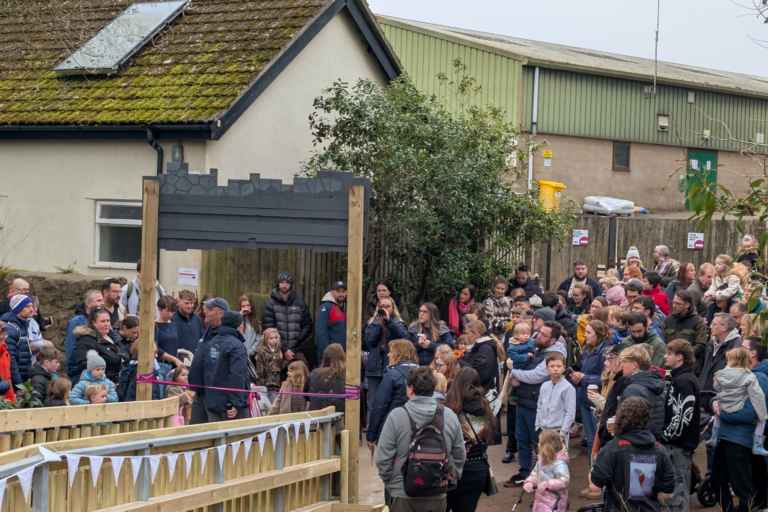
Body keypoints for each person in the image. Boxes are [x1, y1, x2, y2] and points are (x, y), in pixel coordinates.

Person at [375, 366, 466, 512]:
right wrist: (448, 481)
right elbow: (460, 455)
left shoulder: (396, 416)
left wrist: (393, 484)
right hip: (437, 493)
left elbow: (383, 459)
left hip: (402, 494)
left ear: (411, 388)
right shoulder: (449, 416)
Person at [505, 320, 568, 486]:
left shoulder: (553, 355)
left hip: (536, 404)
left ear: (553, 340)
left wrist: (514, 373)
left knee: (537, 440)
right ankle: (525, 473)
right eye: (539, 332)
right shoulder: (539, 347)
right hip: (523, 400)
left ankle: (545, 475)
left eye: (543, 335)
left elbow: (535, 376)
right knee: (521, 438)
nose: (538, 336)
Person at [588, 396, 676, 511]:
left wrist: (596, 462)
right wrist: (648, 502)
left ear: (621, 417)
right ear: (647, 418)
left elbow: (594, 486)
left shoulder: (612, 448)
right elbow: (668, 493)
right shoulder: (660, 450)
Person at [709, 344, 768, 511]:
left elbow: (750, 413)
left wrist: (721, 413)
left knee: (742, 486)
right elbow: (719, 395)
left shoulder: (757, 378)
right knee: (717, 481)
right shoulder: (734, 375)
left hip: (740, 441)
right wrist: (714, 402)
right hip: (726, 437)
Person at [444, 367, 496, 512]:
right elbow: (490, 436)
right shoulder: (486, 408)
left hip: (452, 470)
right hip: (478, 470)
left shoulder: (450, 409)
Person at [661, 339, 700, 512]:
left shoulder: (683, 381)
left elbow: (684, 416)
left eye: (669, 353)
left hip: (677, 446)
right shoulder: (681, 378)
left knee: (677, 493)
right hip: (677, 445)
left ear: (680, 357)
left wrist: (666, 436)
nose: (665, 356)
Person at [707, 347, 768, 449]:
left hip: (727, 405)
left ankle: (714, 436)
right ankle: (758, 444)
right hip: (735, 407)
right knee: (762, 419)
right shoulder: (749, 375)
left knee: (716, 415)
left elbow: (717, 387)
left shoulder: (726, 372)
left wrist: (719, 407)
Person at [197, 310, 250, 421]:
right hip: (231, 406)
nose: (243, 326)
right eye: (242, 323)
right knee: (239, 432)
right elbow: (237, 374)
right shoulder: (236, 346)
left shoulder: (211, 343)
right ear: (237, 326)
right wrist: (236, 402)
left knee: (216, 432)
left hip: (212, 402)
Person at [572, 320, 612, 462]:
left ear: (599, 334)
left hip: (598, 401)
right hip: (585, 398)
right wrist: (578, 378)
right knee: (590, 440)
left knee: (598, 441)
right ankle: (592, 471)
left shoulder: (606, 351)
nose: (585, 335)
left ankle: (599, 471)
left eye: (589, 332)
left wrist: (584, 378)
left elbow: (605, 377)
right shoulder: (587, 349)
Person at [367, 339, 419, 445]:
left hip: (392, 429)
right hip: (417, 430)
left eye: (391, 351)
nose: (388, 354)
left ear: (399, 354)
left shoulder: (392, 374)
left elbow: (379, 406)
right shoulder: (423, 374)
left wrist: (371, 435)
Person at [189, 297, 228, 422]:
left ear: (221, 313)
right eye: (206, 308)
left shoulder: (224, 335)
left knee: (213, 428)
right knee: (195, 429)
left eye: (210, 309)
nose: (205, 311)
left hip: (213, 393)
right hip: (199, 391)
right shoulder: (208, 330)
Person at [261, 271, 312, 365]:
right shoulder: (270, 304)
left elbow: (308, 325)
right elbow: (269, 329)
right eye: (282, 282)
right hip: (275, 350)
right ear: (278, 283)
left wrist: (298, 338)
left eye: (287, 283)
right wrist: (284, 349)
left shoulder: (300, 303)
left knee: (304, 371)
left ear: (291, 284)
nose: (284, 285)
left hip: (295, 350)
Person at [617, 345, 665, 439]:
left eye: (624, 361)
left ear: (634, 365)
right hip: (653, 441)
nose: (621, 365)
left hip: (634, 442)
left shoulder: (633, 389)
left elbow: (627, 423)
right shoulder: (657, 384)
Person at [699, 313, 742, 415]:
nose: (710, 327)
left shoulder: (736, 347)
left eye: (714, 324)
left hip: (719, 400)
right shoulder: (710, 344)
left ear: (724, 327)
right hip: (704, 395)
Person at [74, 308, 131, 383]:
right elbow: (84, 366)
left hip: (121, 383)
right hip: (101, 385)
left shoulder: (115, 337)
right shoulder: (86, 341)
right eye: (102, 321)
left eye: (108, 321)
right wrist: (106, 382)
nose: (106, 324)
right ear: (94, 323)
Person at [523, 430, 570, 512]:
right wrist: (529, 482)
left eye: (540, 442)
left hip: (555, 502)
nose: (538, 444)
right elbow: (534, 474)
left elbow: (564, 481)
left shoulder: (559, 464)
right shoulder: (541, 460)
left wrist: (547, 484)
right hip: (540, 499)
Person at [65, 290, 105, 385]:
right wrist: (77, 370)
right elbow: (71, 349)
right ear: (88, 303)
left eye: (102, 300)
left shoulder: (100, 320)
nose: (102, 303)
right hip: (79, 372)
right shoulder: (76, 322)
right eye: (99, 300)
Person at [662, 290, 707, 372]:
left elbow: (701, 345)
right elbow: (663, 342)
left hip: (690, 367)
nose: (674, 306)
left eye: (678, 304)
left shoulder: (697, 321)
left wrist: (684, 357)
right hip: (670, 367)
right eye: (673, 302)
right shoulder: (668, 320)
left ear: (687, 305)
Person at [535, 352, 576, 440]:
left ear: (564, 368)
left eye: (559, 366)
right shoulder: (544, 385)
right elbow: (540, 406)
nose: (555, 369)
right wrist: (537, 425)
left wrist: (563, 433)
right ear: (547, 368)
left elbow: (570, 413)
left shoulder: (568, 388)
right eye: (552, 366)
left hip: (558, 431)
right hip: (542, 430)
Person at [0, 294, 35, 387]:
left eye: (32, 306)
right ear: (17, 309)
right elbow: (11, 359)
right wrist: (19, 385)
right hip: (13, 384)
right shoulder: (11, 328)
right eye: (27, 306)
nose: (32, 309)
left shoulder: (21, 326)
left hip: (21, 379)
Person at [461, 320, 501, 394]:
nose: (466, 337)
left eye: (467, 334)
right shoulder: (477, 347)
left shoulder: (486, 349)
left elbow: (479, 373)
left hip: (482, 394)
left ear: (476, 334)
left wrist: (459, 362)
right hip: (477, 392)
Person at [305, 344, 346, 414]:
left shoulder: (314, 374)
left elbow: (306, 395)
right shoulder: (349, 376)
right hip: (342, 419)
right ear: (343, 357)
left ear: (325, 357)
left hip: (316, 418)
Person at [316, 281, 347, 365]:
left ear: (346, 292)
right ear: (332, 292)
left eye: (343, 291)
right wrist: (328, 355)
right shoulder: (325, 308)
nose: (341, 294)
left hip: (345, 356)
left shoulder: (347, 308)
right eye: (338, 291)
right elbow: (321, 333)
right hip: (330, 358)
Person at [255, 328, 286, 402]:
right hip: (266, 383)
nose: (274, 340)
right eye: (271, 338)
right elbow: (260, 369)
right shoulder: (263, 352)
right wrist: (262, 383)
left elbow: (281, 367)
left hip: (277, 384)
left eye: (275, 338)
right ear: (266, 339)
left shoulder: (279, 351)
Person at [173, 290, 205, 356]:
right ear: (178, 302)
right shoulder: (172, 320)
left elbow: (202, 339)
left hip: (196, 357)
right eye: (186, 303)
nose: (189, 306)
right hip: (179, 358)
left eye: (192, 303)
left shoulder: (197, 318)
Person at [155, 295, 181, 366]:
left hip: (174, 364)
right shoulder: (154, 326)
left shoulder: (174, 324)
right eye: (167, 311)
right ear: (159, 309)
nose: (170, 314)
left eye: (172, 311)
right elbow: (156, 348)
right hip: (161, 364)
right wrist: (173, 359)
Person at [0, 323, 14, 403]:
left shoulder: (6, 353)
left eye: (6, 334)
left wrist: (12, 400)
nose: (4, 337)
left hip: (5, 398)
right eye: (1, 334)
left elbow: (8, 379)